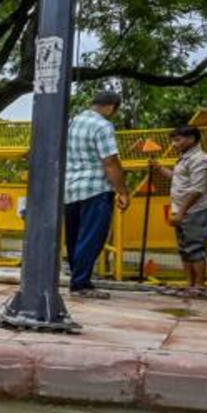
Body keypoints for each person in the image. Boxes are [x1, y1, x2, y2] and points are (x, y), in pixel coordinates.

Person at [63, 90, 130, 299]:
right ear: (112, 107)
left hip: (71, 189)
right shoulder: (102, 126)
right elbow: (110, 161)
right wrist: (122, 191)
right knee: (91, 237)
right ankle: (80, 283)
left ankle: (78, 278)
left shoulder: (72, 122)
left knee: (74, 237)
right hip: (96, 189)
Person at [158, 125, 207, 299]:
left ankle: (199, 286)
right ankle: (189, 284)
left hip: (196, 211)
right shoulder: (184, 158)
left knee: (196, 249)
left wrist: (181, 212)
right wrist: (159, 169)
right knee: (185, 249)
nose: (174, 144)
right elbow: (179, 178)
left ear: (191, 139)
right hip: (183, 211)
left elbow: (197, 190)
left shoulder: (200, 159)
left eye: (178, 140)